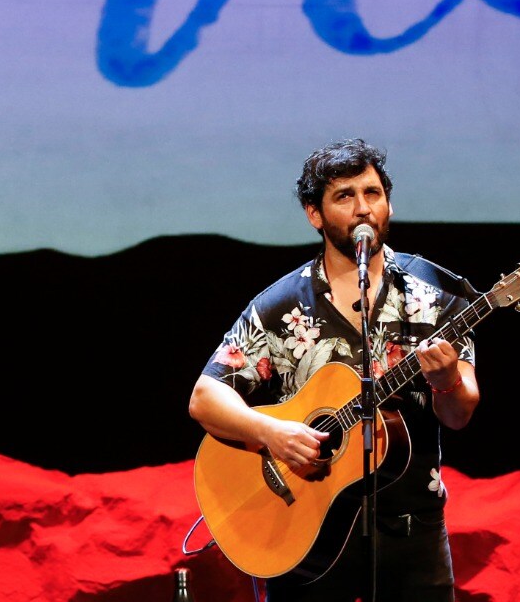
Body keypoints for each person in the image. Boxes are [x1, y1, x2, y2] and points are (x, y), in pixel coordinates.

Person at [188, 138, 480, 602]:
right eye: (345, 196)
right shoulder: (282, 306)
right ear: (314, 214)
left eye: (373, 193)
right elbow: (205, 398)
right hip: (306, 540)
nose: (363, 208)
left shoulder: (435, 295)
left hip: (413, 535)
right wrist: (271, 432)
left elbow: (459, 415)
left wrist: (447, 382)